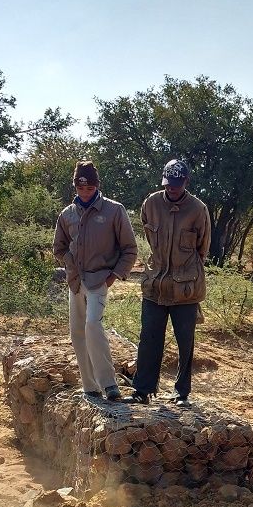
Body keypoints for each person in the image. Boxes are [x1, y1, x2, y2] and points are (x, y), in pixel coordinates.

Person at [126, 159, 211, 406]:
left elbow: (202, 249)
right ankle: (142, 390)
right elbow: (150, 240)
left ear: (186, 182)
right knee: (149, 338)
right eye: (168, 184)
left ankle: (181, 393)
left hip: (185, 289)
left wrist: (185, 271)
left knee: (185, 342)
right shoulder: (150, 204)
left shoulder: (198, 209)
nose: (172, 188)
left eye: (177, 184)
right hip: (155, 284)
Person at [53, 160, 137, 401]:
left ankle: (109, 384)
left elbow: (130, 249)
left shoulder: (114, 210)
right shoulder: (67, 214)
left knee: (92, 325)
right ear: (75, 187)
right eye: (81, 189)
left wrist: (114, 275)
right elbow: (58, 248)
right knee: (78, 331)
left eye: (89, 188)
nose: (85, 193)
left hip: (100, 279)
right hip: (75, 280)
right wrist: (70, 262)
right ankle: (90, 386)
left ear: (97, 186)